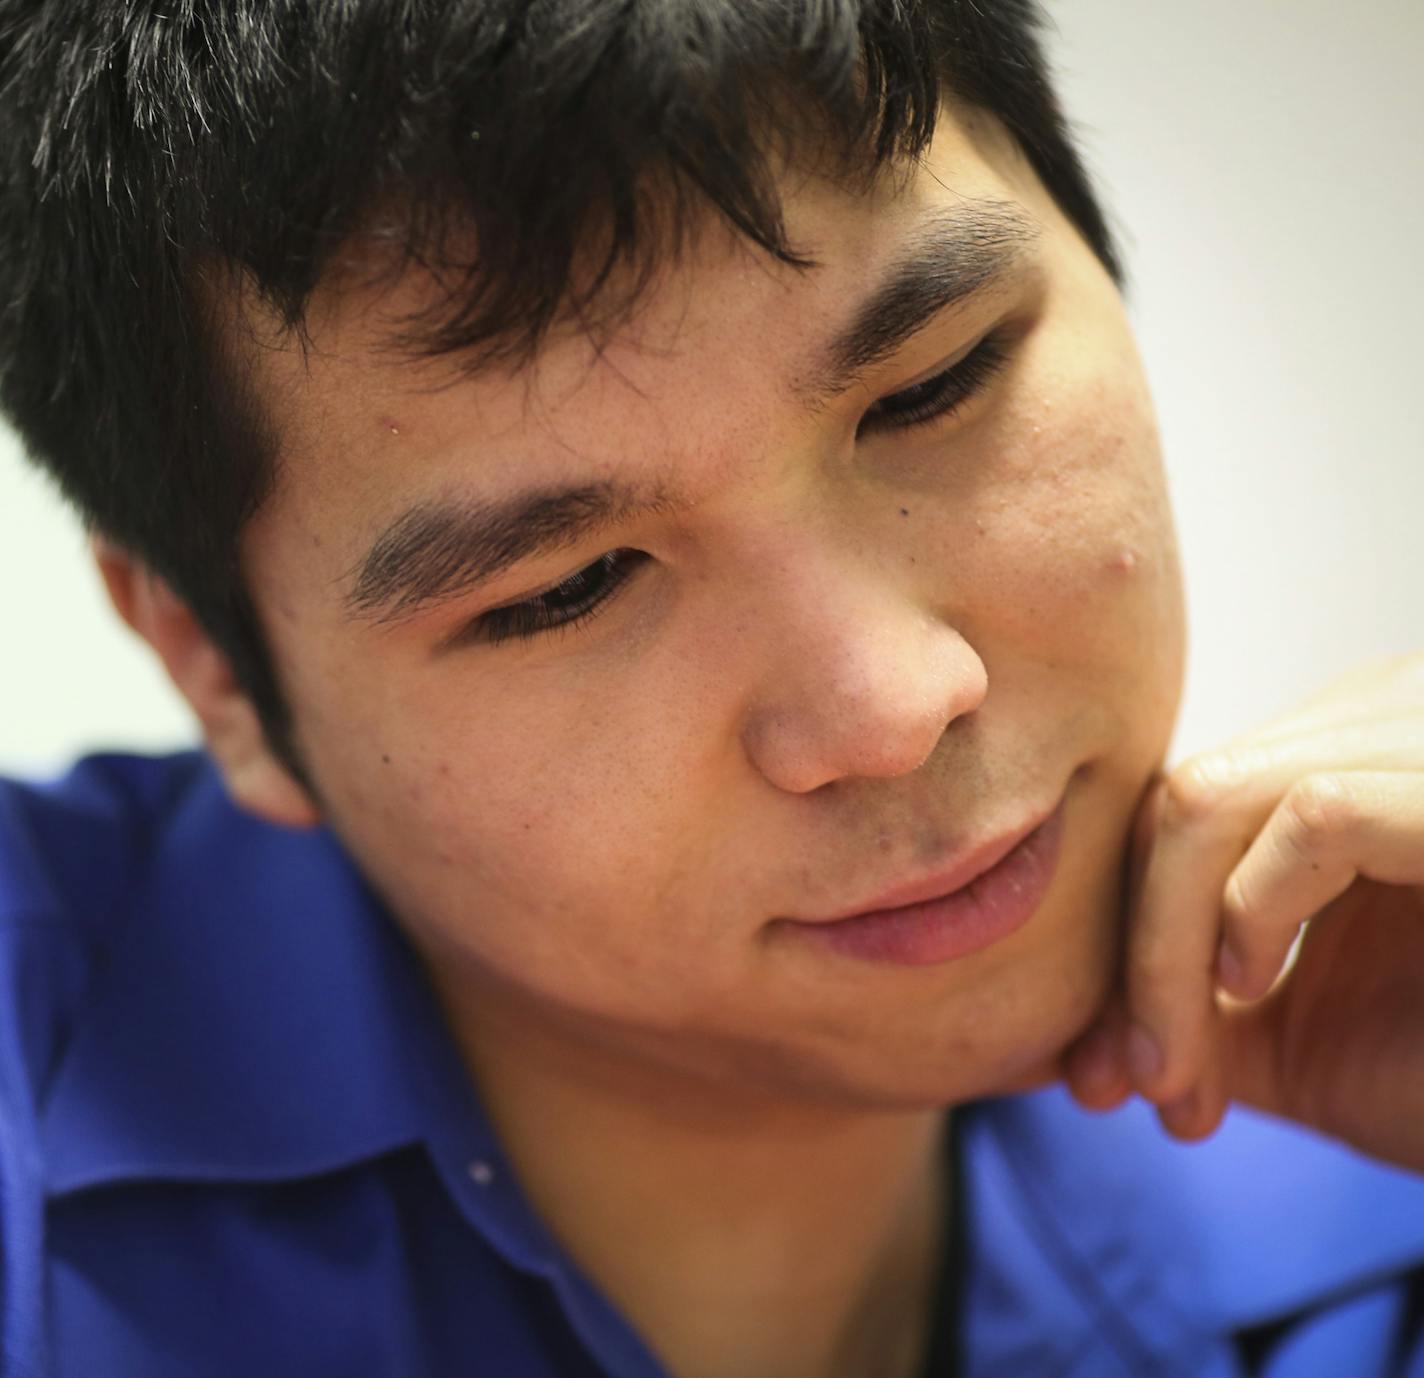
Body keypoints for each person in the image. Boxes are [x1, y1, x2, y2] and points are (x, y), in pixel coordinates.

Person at [1, 1, 1421, 1374]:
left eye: (936, 384)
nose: (896, 703)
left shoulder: (1370, 1107)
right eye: (568, 585)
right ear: (215, 668)